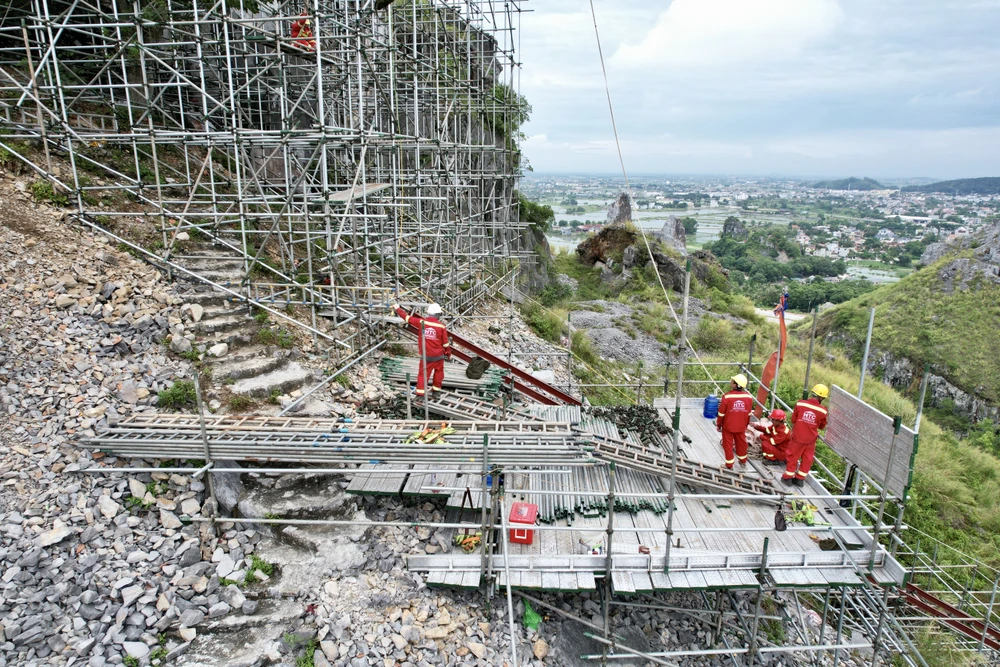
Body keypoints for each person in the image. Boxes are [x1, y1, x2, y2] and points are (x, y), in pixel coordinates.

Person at [393, 302, 450, 396]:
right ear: (438, 314)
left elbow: (407, 318)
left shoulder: (422, 322)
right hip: (439, 355)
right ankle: (436, 391)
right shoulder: (441, 326)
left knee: (423, 374)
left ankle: (420, 395)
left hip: (426, 355)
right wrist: (448, 353)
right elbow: (445, 343)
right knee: (439, 373)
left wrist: (397, 309)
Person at [782, 384, 829, 487]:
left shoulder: (800, 404)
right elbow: (822, 426)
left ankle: (788, 478)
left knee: (792, 456)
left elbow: (793, 419)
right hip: (811, 439)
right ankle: (800, 479)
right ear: (821, 398)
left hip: (798, 437)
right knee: (807, 459)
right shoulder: (823, 410)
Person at [716, 374, 754, 469]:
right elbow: (748, 414)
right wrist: (745, 425)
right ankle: (743, 461)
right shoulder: (748, 397)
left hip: (728, 426)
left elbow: (721, 413)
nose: (731, 381)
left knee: (727, 444)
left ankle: (729, 464)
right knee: (741, 443)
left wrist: (719, 424)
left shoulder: (727, 397)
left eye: (732, 380)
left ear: (735, 384)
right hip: (741, 426)